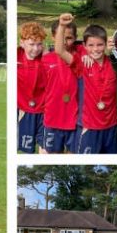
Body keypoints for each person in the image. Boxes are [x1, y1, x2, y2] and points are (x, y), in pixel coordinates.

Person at [54, 13, 117, 154]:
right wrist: (61, 25)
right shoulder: (82, 64)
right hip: (89, 126)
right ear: (84, 45)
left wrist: (115, 46)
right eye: (91, 45)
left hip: (110, 126)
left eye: (100, 45)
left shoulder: (114, 63)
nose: (96, 49)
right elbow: (59, 50)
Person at [41, 19, 79, 153]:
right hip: (52, 119)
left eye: (68, 38)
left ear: (75, 38)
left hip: (75, 121)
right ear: (53, 37)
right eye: (60, 37)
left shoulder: (79, 59)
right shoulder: (45, 60)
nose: (64, 41)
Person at [17, 22, 47, 153]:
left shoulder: (48, 59)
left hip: (46, 113)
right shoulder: (16, 57)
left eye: (39, 44)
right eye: (32, 44)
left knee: (47, 151)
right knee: (27, 151)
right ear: (22, 43)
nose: (36, 49)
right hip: (24, 112)